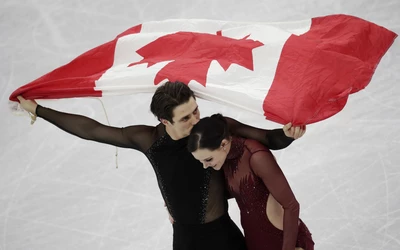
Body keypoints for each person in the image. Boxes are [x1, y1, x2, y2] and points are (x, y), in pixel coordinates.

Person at [17, 81, 305, 250]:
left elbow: (268, 138)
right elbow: (93, 130)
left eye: (196, 111)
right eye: (185, 118)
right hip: (185, 239)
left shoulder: (216, 128)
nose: (195, 121)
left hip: (223, 236)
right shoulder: (149, 140)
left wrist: (287, 135)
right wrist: (39, 110)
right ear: (164, 122)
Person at [187, 114, 313, 250]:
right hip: (255, 242)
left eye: (208, 159)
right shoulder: (225, 159)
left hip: (281, 240)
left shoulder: (256, 157)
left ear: (223, 144)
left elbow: (291, 205)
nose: (205, 166)